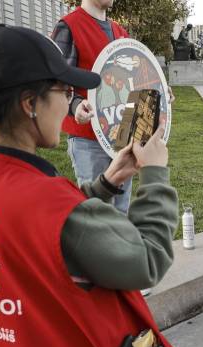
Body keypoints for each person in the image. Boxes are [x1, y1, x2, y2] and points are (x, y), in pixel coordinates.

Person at [0, 25, 195, 347]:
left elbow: (38, 236)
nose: (69, 104)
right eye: (65, 91)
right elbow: (147, 260)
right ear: (30, 103)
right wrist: (154, 174)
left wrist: (104, 184)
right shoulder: (46, 205)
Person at [51, 0, 132, 214]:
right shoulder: (68, 26)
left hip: (121, 138)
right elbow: (58, 83)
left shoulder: (121, 32)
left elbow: (135, 78)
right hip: (89, 140)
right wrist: (75, 105)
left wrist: (159, 90)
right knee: (97, 214)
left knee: (121, 211)